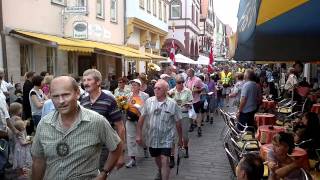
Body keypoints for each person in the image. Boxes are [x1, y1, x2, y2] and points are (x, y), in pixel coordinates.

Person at [31, 76, 122, 180]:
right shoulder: (44, 124)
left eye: (66, 95)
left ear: (77, 93)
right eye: (56, 96)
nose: (61, 101)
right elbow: (38, 161)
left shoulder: (96, 121)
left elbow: (117, 146)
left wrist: (104, 173)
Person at [136, 79, 183, 180]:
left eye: (159, 88)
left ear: (166, 90)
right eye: (155, 88)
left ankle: (164, 175)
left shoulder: (172, 104)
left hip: (167, 138)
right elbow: (141, 119)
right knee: (157, 159)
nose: (156, 90)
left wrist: (180, 139)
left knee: (164, 159)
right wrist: (138, 134)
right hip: (152, 137)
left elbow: (178, 123)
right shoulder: (149, 102)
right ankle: (160, 170)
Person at [81, 69, 125, 169]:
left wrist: (120, 154)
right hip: (86, 147)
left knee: (100, 174)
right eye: (84, 80)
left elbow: (120, 127)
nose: (86, 83)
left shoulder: (109, 101)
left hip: (104, 148)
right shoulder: (83, 102)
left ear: (98, 82)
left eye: (89, 80)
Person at [125, 79, 149, 168]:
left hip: (141, 119)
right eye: (132, 85)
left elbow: (146, 109)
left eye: (135, 85)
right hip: (130, 119)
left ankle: (145, 148)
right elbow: (125, 106)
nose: (133, 87)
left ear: (139, 86)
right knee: (130, 139)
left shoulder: (145, 96)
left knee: (142, 137)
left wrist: (138, 110)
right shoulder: (128, 96)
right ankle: (132, 159)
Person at [168, 75, 193, 158]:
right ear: (175, 83)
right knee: (173, 136)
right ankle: (172, 156)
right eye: (179, 82)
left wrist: (188, 105)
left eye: (182, 82)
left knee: (185, 135)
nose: (181, 84)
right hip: (174, 116)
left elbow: (191, 103)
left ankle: (186, 148)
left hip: (184, 114)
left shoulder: (188, 91)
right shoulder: (171, 91)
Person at [186, 68, 204, 136]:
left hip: (196, 100)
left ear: (191, 72)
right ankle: (191, 125)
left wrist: (197, 90)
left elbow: (203, 87)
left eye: (188, 72)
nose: (187, 73)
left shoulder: (198, 79)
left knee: (197, 114)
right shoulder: (188, 79)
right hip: (189, 100)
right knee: (190, 114)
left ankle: (199, 128)